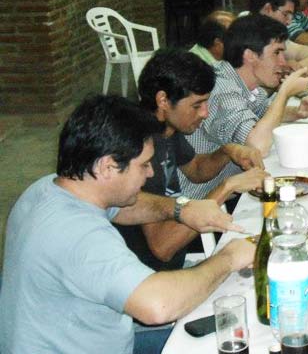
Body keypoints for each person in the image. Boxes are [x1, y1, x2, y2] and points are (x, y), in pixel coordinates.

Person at [0, 95, 255, 354]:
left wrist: (181, 209)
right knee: (235, 335)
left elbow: (125, 206)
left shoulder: (49, 188)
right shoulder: (80, 236)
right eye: (143, 165)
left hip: (90, 339)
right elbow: (159, 307)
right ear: (107, 167)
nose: (151, 173)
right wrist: (228, 258)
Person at [118, 49, 267, 271]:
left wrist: (228, 151)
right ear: (163, 100)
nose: (205, 113)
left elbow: (196, 169)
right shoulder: (141, 150)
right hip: (153, 276)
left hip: (178, 258)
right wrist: (227, 187)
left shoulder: (166, 128)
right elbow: (163, 248)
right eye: (197, 105)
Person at [180, 15, 308, 199]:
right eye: (276, 53)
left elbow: (264, 115)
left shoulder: (244, 84)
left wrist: (297, 112)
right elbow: (258, 146)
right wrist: (284, 92)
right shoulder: (221, 89)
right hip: (202, 203)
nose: (283, 62)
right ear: (250, 55)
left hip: (231, 193)